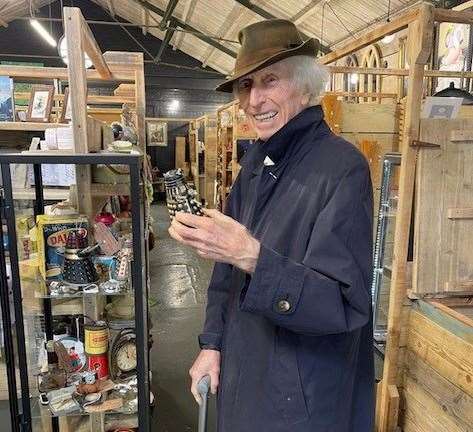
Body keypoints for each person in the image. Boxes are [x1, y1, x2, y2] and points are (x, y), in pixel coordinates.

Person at [169, 19, 374, 432]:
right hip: (248, 375)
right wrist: (211, 344)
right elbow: (225, 275)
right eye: (246, 86)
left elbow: (342, 306)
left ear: (305, 86)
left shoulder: (341, 169)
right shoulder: (257, 166)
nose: (254, 99)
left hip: (300, 397)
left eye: (270, 81)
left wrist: (252, 255)